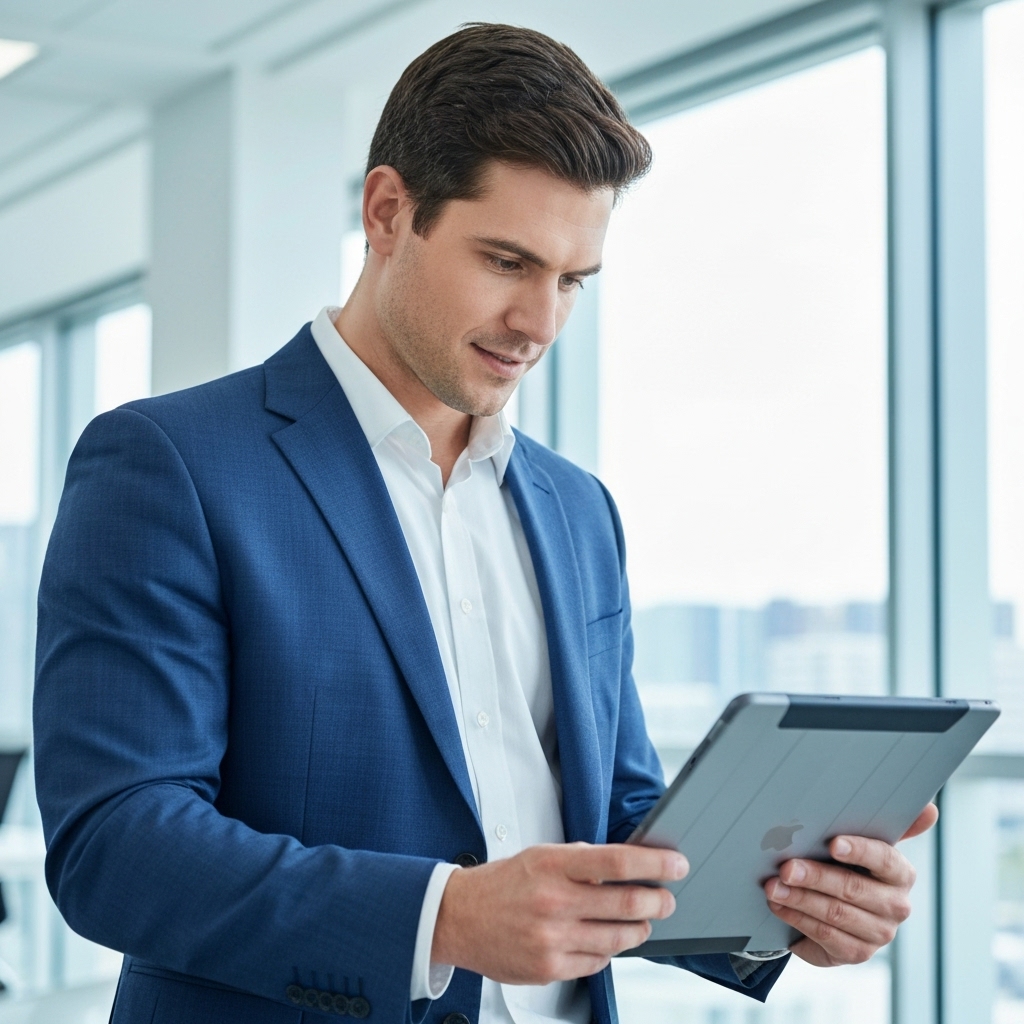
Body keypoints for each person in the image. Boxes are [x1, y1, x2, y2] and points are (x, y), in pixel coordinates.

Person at [33, 23, 935, 1024]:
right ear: (387, 213)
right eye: (506, 261)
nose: (539, 323)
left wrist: (786, 903)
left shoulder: (578, 510)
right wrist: (442, 918)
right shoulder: (173, 464)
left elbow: (619, 822)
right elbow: (116, 841)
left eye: (571, 281)